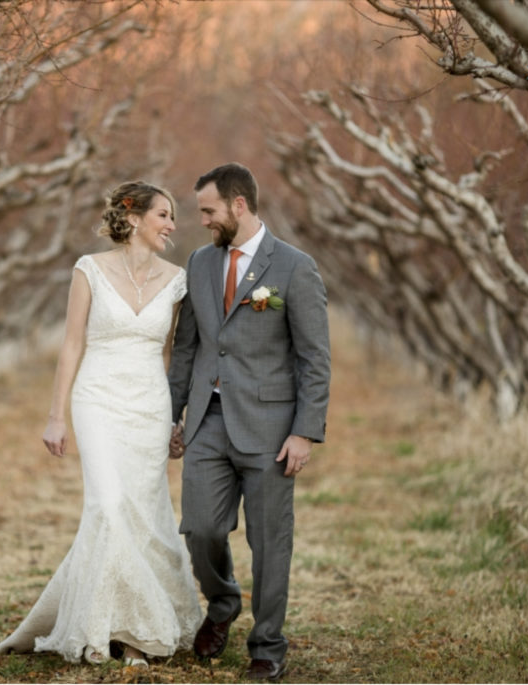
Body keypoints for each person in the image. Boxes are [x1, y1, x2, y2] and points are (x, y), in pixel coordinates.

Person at [0, 181, 202, 667]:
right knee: (107, 504)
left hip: (149, 403)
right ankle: (101, 627)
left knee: (144, 512)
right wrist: (56, 415)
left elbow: (173, 354)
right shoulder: (89, 269)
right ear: (134, 217)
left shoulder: (177, 279)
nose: (172, 225)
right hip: (97, 398)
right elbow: (72, 344)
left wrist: (176, 416)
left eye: (173, 217)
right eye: (163, 215)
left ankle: (135, 635)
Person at [167, 163, 331, 681]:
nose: (204, 222)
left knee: (270, 541)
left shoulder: (294, 268)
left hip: (271, 430)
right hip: (207, 424)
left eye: (210, 211)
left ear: (239, 205)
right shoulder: (198, 263)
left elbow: (314, 358)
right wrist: (171, 416)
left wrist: (305, 430)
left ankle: (268, 644)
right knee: (199, 528)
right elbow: (187, 348)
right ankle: (222, 603)